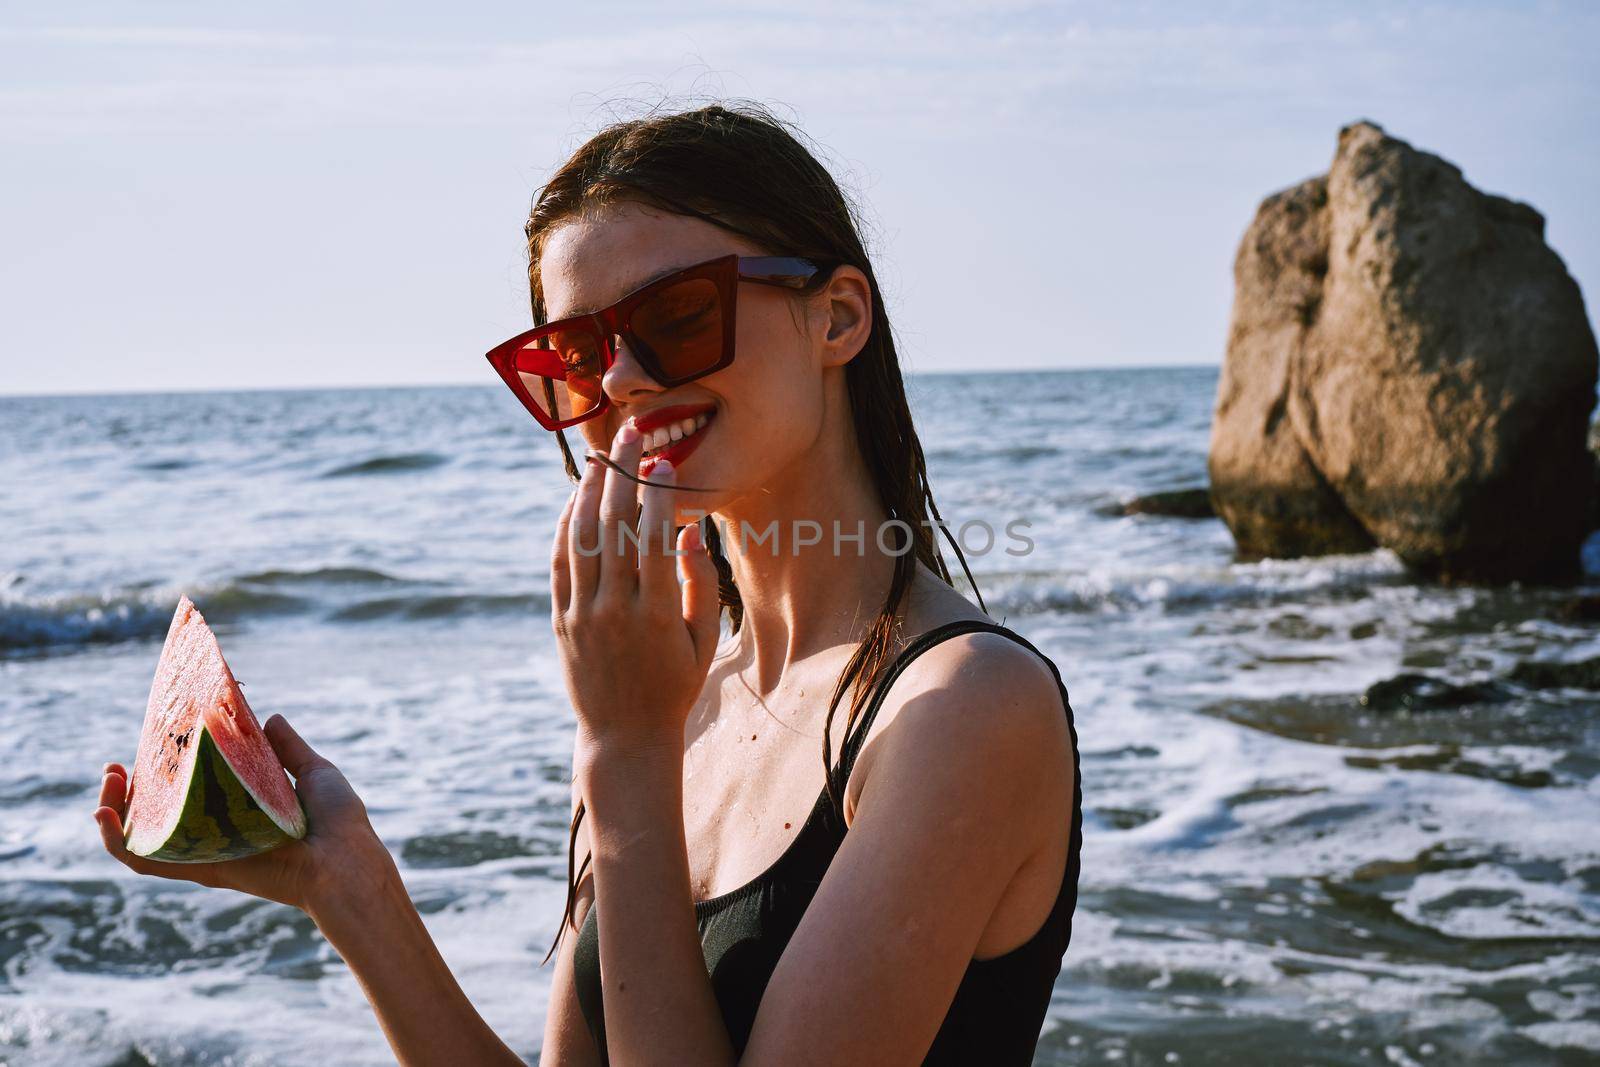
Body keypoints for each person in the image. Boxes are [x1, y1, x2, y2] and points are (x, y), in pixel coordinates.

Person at [94, 101, 1083, 1066]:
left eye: (679, 315)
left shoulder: (964, 708)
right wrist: (346, 885)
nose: (617, 383)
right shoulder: (662, 691)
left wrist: (622, 750)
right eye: (575, 354)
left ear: (836, 316)